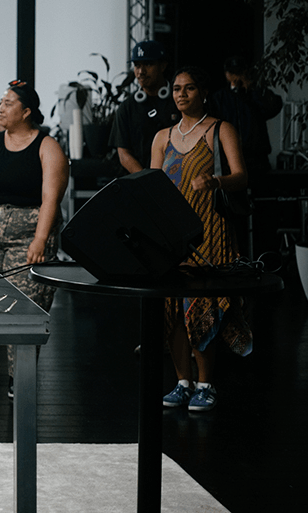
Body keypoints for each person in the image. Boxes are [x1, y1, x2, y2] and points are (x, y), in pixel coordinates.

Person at [150, 66, 253, 413]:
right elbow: (151, 185)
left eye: (189, 88)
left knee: (201, 308)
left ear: (203, 92)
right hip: (170, 235)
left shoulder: (219, 129)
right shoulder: (162, 136)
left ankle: (205, 384)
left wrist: (216, 182)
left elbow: (241, 176)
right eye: (177, 88)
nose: (181, 94)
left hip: (209, 231)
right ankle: (182, 382)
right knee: (171, 310)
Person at [0, 80, 67, 394]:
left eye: (8, 103)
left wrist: (40, 239)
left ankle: (19, 378)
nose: (0, 108)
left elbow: (50, 199)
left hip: (27, 238)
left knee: (24, 311)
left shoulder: (47, 146)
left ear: (27, 111)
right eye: (1, 102)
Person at [208, 55, 282, 185]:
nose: (237, 76)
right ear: (227, 74)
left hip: (257, 159)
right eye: (233, 73)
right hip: (230, 159)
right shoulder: (219, 98)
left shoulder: (255, 93)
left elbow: (273, 107)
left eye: (240, 72)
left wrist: (251, 88)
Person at [110, 40, 178, 174]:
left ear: (163, 66)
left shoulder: (179, 101)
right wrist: (147, 182)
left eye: (148, 64)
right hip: (141, 184)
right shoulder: (127, 108)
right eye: (137, 65)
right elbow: (124, 155)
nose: (141, 71)